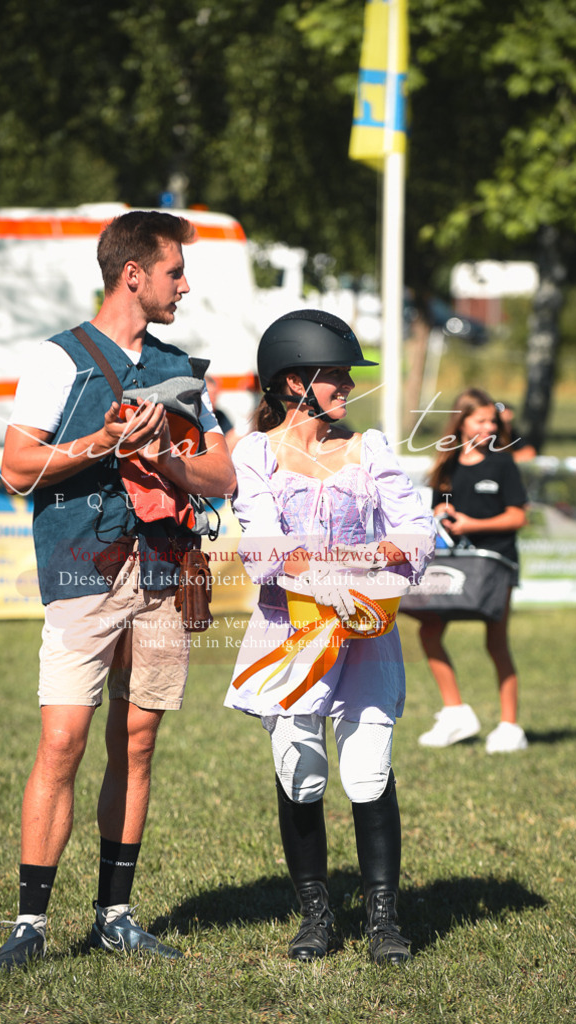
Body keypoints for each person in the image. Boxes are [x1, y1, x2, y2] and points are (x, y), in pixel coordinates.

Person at [0, 211, 236, 973]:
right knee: (61, 739)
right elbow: (16, 468)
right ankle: (30, 924)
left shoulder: (183, 370)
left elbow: (222, 478)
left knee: (138, 741)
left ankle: (114, 916)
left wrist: (167, 457)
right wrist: (102, 442)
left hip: (161, 571)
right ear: (134, 274)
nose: (183, 286)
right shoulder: (58, 361)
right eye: (175, 272)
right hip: (81, 569)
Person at [223, 310, 435, 965]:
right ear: (291, 383)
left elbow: (419, 534)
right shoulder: (254, 455)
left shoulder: (371, 449)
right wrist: (329, 576)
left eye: (346, 374)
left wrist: (361, 572)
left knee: (368, 770)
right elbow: (262, 550)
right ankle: (316, 913)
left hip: (366, 632)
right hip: (291, 633)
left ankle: (382, 918)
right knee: (303, 772)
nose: (347, 385)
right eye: (333, 374)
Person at [417, 387, 529, 753]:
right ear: (461, 421)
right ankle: (455, 713)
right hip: (453, 565)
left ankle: (510, 727)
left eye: (492, 421)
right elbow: (439, 509)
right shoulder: (445, 464)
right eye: (480, 420)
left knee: (496, 642)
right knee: (429, 631)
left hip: (496, 564)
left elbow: (518, 515)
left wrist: (471, 525)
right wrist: (440, 517)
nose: (488, 427)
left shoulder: (502, 462)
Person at [205, 373, 239, 450]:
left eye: (215, 395)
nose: (213, 399)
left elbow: (231, 434)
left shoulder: (220, 415)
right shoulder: (195, 418)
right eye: (209, 395)